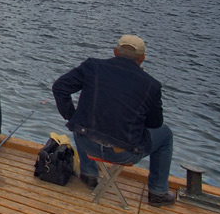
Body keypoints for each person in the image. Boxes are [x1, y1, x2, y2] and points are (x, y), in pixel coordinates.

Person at [52, 34, 177, 205]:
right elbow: (155, 124)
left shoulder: (92, 66)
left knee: (80, 121)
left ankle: (89, 174)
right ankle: (158, 191)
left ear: (115, 52)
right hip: (124, 154)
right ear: (142, 59)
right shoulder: (151, 85)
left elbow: (59, 88)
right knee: (166, 135)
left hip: (86, 144)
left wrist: (71, 116)